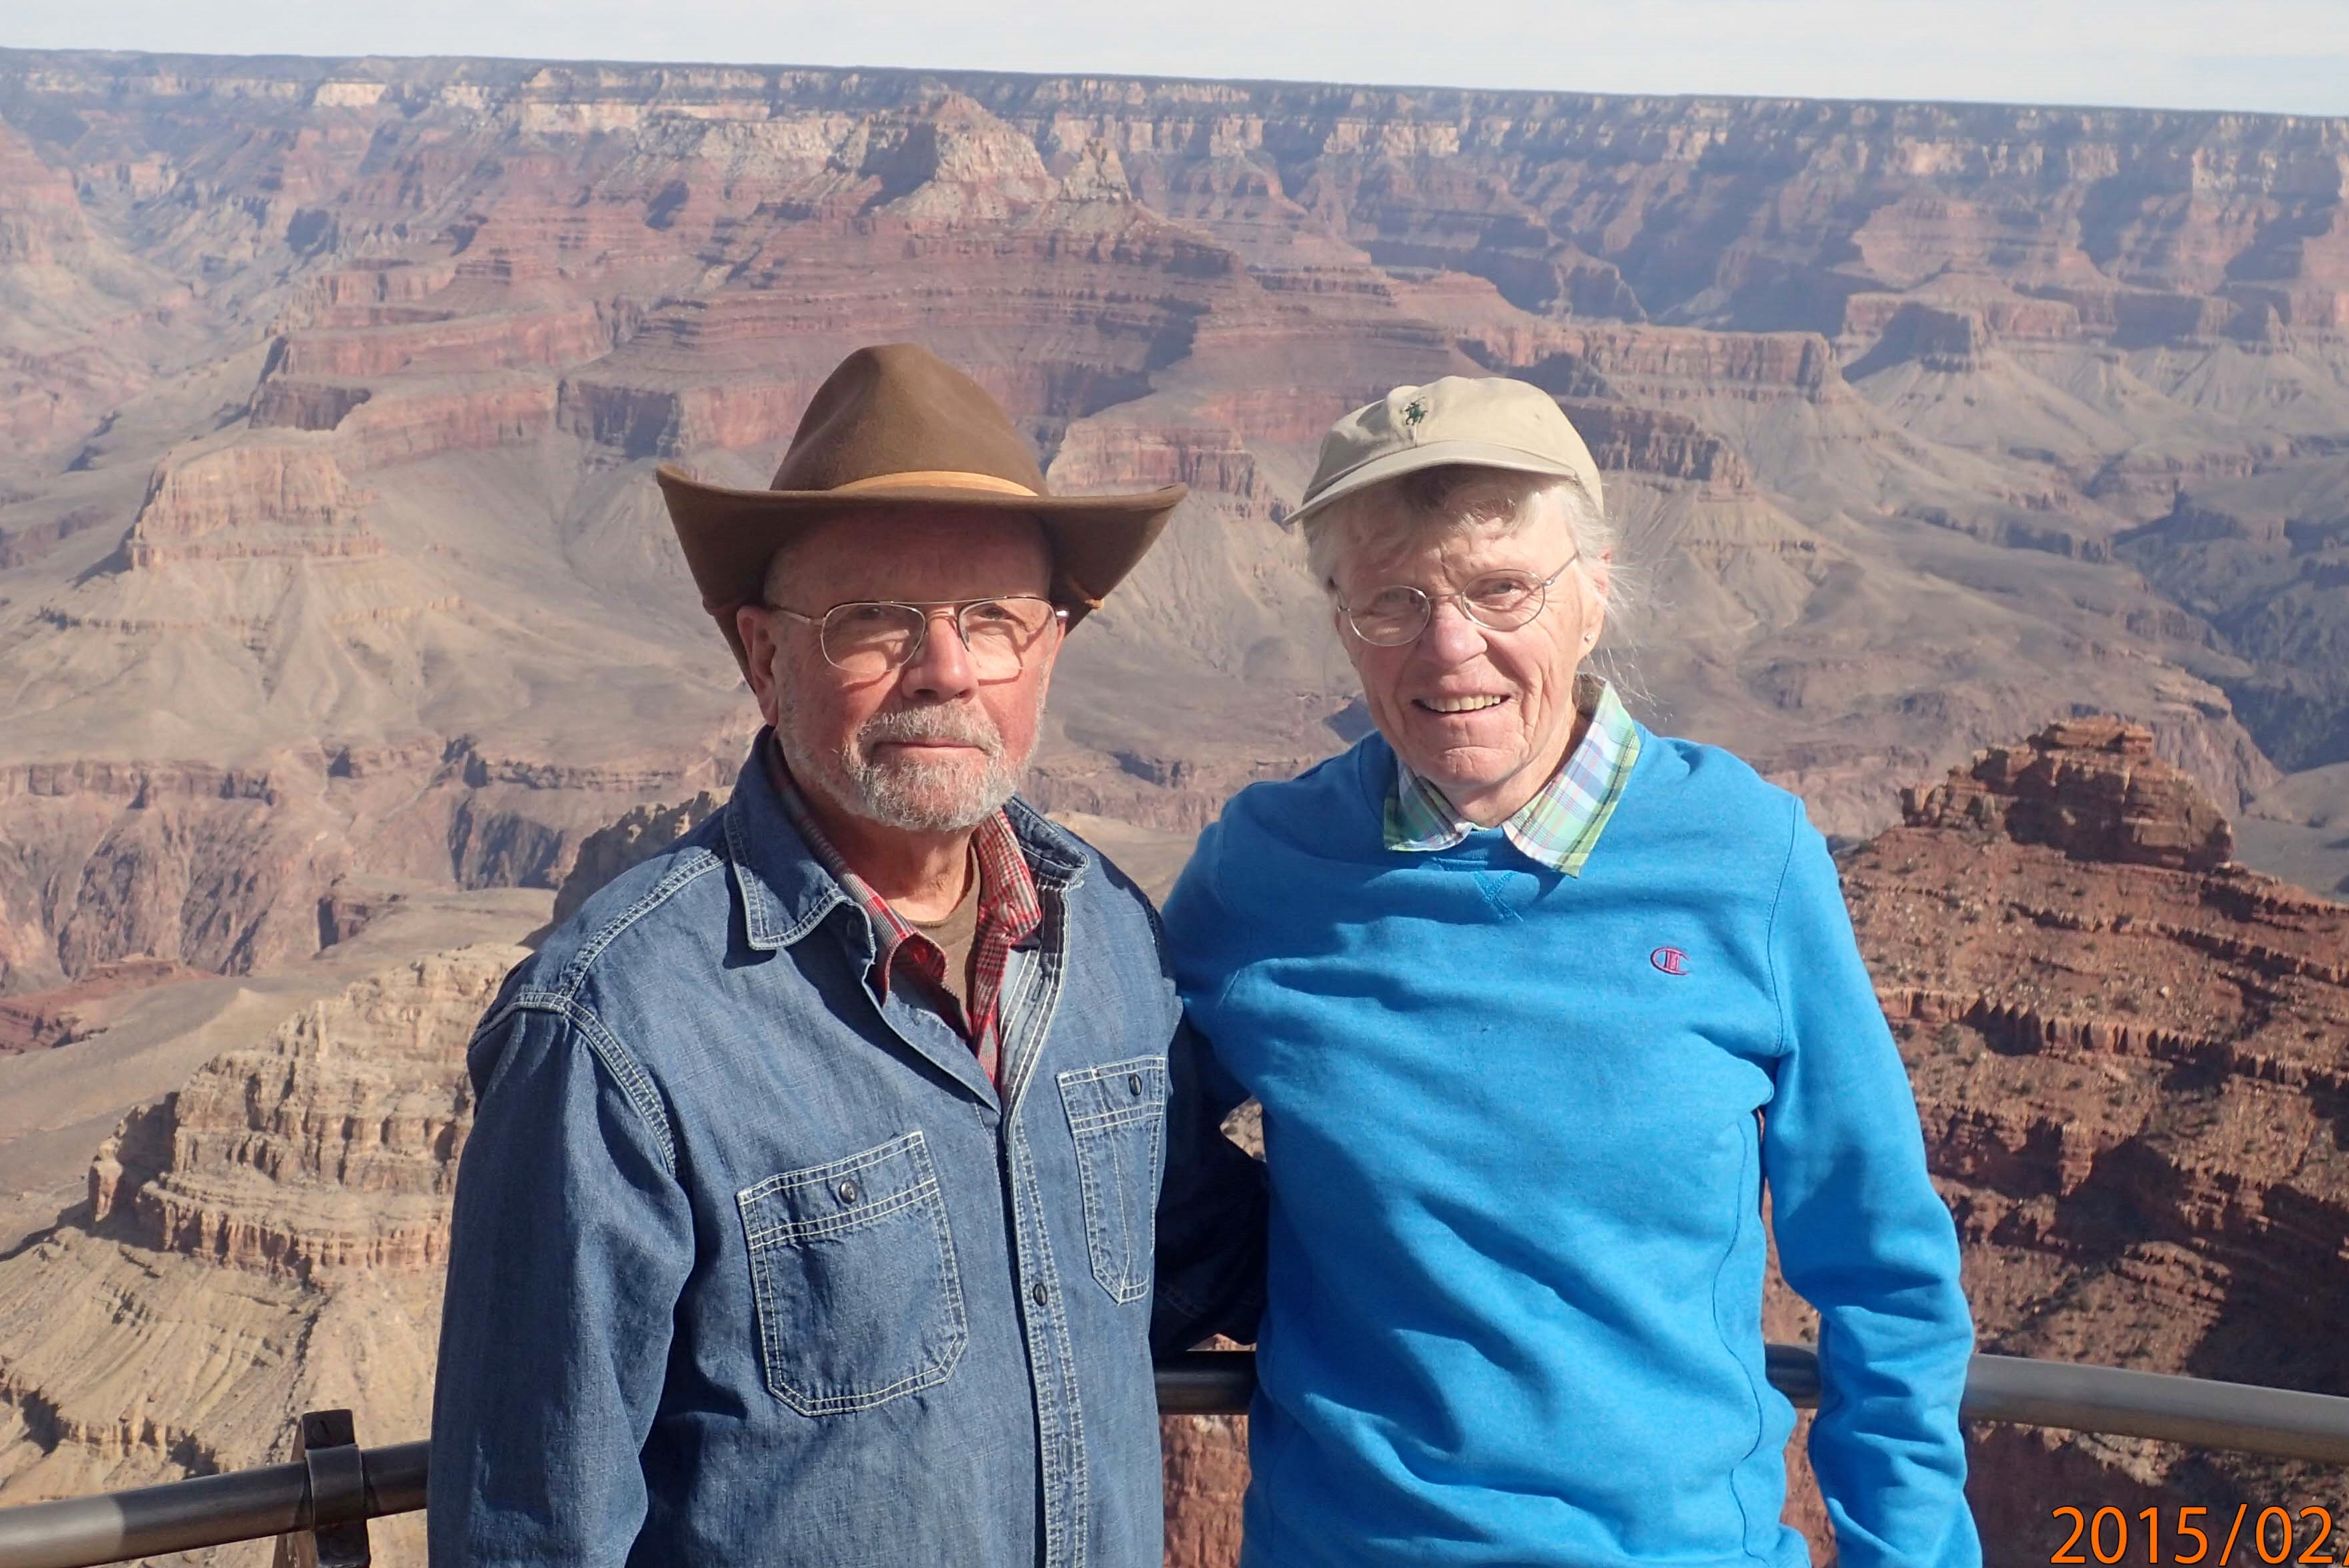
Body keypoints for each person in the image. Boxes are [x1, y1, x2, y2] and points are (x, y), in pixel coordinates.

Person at [430, 343, 1264, 1567]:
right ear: (763, 659)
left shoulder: (1112, 948)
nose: (943, 672)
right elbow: (531, 1533)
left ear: (1051, 649)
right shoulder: (614, 1038)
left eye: (991, 621)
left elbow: (1203, 1260)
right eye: (872, 621)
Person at [1161, 374, 1979, 1568]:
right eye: (1393, 602)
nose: (1453, 649)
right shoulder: (1264, 870)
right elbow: (1104, 1128)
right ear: (1343, 626)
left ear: (1593, 595)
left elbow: (1883, 1269)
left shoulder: (1748, 859)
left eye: (1503, 591)